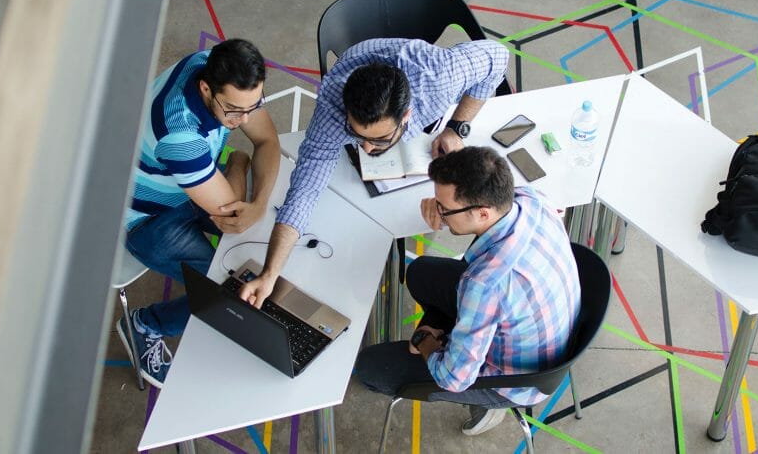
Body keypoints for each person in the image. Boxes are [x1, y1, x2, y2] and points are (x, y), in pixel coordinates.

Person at [238, 38, 510, 309]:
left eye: (379, 140)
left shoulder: (439, 77)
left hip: (419, 68)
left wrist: (457, 126)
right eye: (357, 136)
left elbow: (498, 56)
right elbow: (304, 191)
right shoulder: (333, 108)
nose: (367, 149)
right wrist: (270, 273)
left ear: (406, 116)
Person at [354, 146, 581, 436]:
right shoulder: (530, 199)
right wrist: (441, 207)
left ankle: (487, 407)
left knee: (371, 366)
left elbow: (453, 378)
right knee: (421, 272)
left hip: (513, 380)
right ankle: (458, 337)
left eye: (444, 209)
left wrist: (425, 341)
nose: (439, 213)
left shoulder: (484, 283)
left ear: (482, 213)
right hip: (542, 328)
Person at [117, 39, 281, 388]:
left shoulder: (215, 66)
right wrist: (239, 163)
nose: (245, 119)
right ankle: (146, 324)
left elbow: (267, 141)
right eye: (235, 111)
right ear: (206, 89)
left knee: (258, 240)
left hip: (189, 185)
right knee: (224, 291)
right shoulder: (180, 136)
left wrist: (260, 202)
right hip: (147, 219)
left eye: (254, 106)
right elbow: (233, 216)